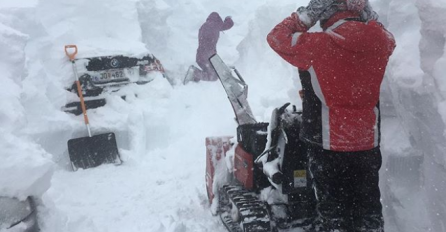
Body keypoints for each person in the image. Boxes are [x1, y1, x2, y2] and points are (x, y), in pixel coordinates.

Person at [267, 0, 395, 231]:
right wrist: (367, 11)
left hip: (327, 144)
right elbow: (388, 36)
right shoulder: (380, 40)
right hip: (367, 142)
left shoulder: (318, 44)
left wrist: (306, 16)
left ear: (324, 16)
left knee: (334, 215)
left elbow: (276, 37)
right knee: (369, 213)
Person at [184, 12, 234, 84]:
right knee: (213, 76)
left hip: (200, 56)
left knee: (209, 73)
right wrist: (228, 18)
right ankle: (195, 73)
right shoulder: (214, 25)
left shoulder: (203, 26)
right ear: (217, 20)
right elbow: (229, 25)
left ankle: (193, 79)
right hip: (208, 56)